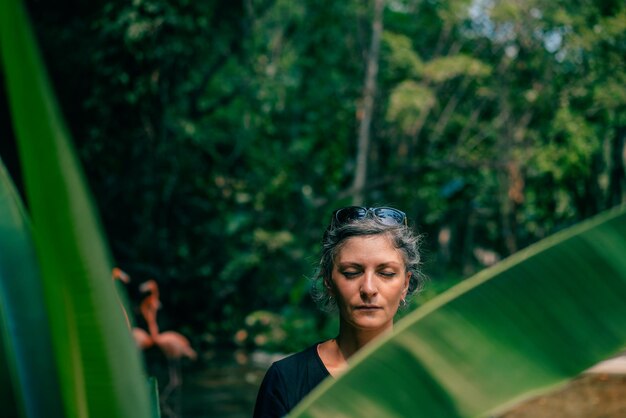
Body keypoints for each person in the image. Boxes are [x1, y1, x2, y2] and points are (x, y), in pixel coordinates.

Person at [253, 206, 424, 417]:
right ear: (328, 282)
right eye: (352, 273)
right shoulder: (287, 379)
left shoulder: (429, 382)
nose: (368, 288)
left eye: (386, 273)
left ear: (405, 285)